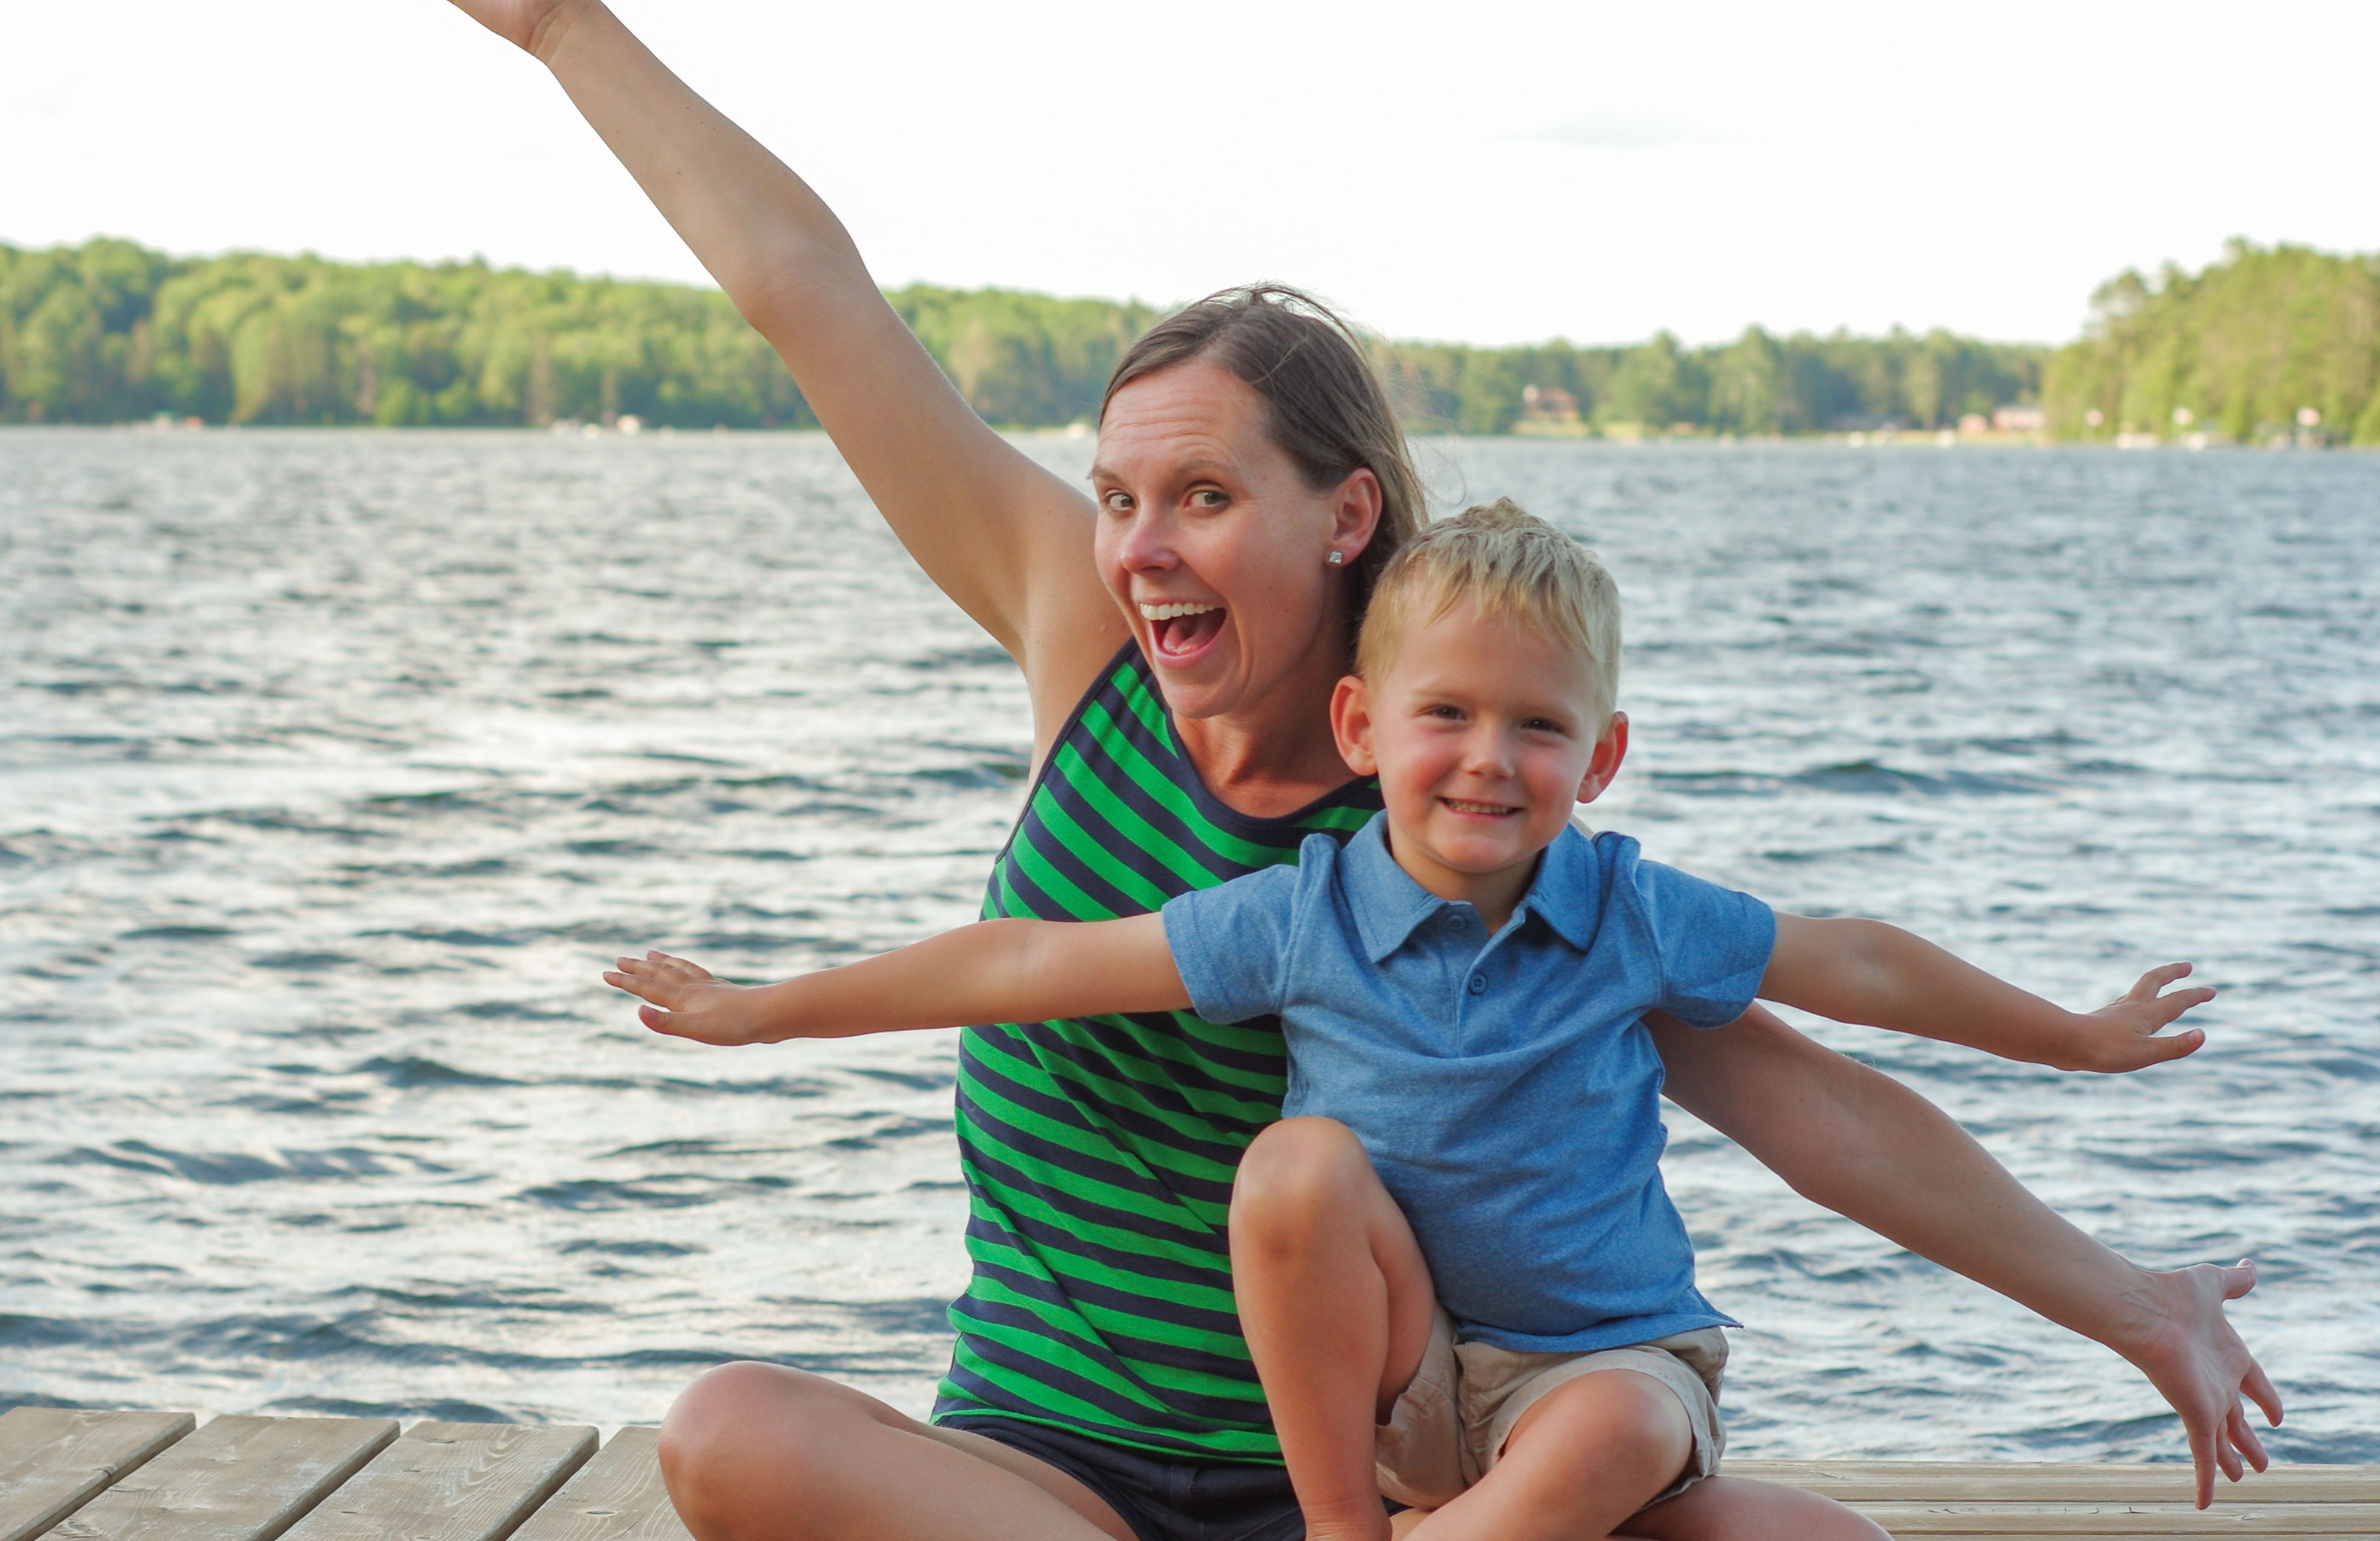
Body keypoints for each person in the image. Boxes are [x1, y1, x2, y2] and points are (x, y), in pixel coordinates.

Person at [430, 4, 2281, 1538]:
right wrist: (564, 30)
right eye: (1121, 497)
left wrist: (2133, 1303)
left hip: (1373, 1479)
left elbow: (1817, 1106)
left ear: (1348, 517)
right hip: (1043, 1464)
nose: (1143, 546)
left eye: (1208, 498)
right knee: (730, 1432)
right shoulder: (1081, 640)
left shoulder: (1447, 805)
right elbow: (803, 291)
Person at [604, 501, 2225, 1541]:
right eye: (1445, 715)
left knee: (1635, 1444)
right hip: (1404, 1408)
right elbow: (1021, 965)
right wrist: (767, 1010)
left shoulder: (1629, 911)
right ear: (1365, 726)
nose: (1486, 759)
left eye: (1538, 727)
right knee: (1295, 1170)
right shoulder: (1299, 915)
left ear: (1599, 758)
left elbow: (1855, 966)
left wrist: (2072, 1036)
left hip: (1606, 1373)